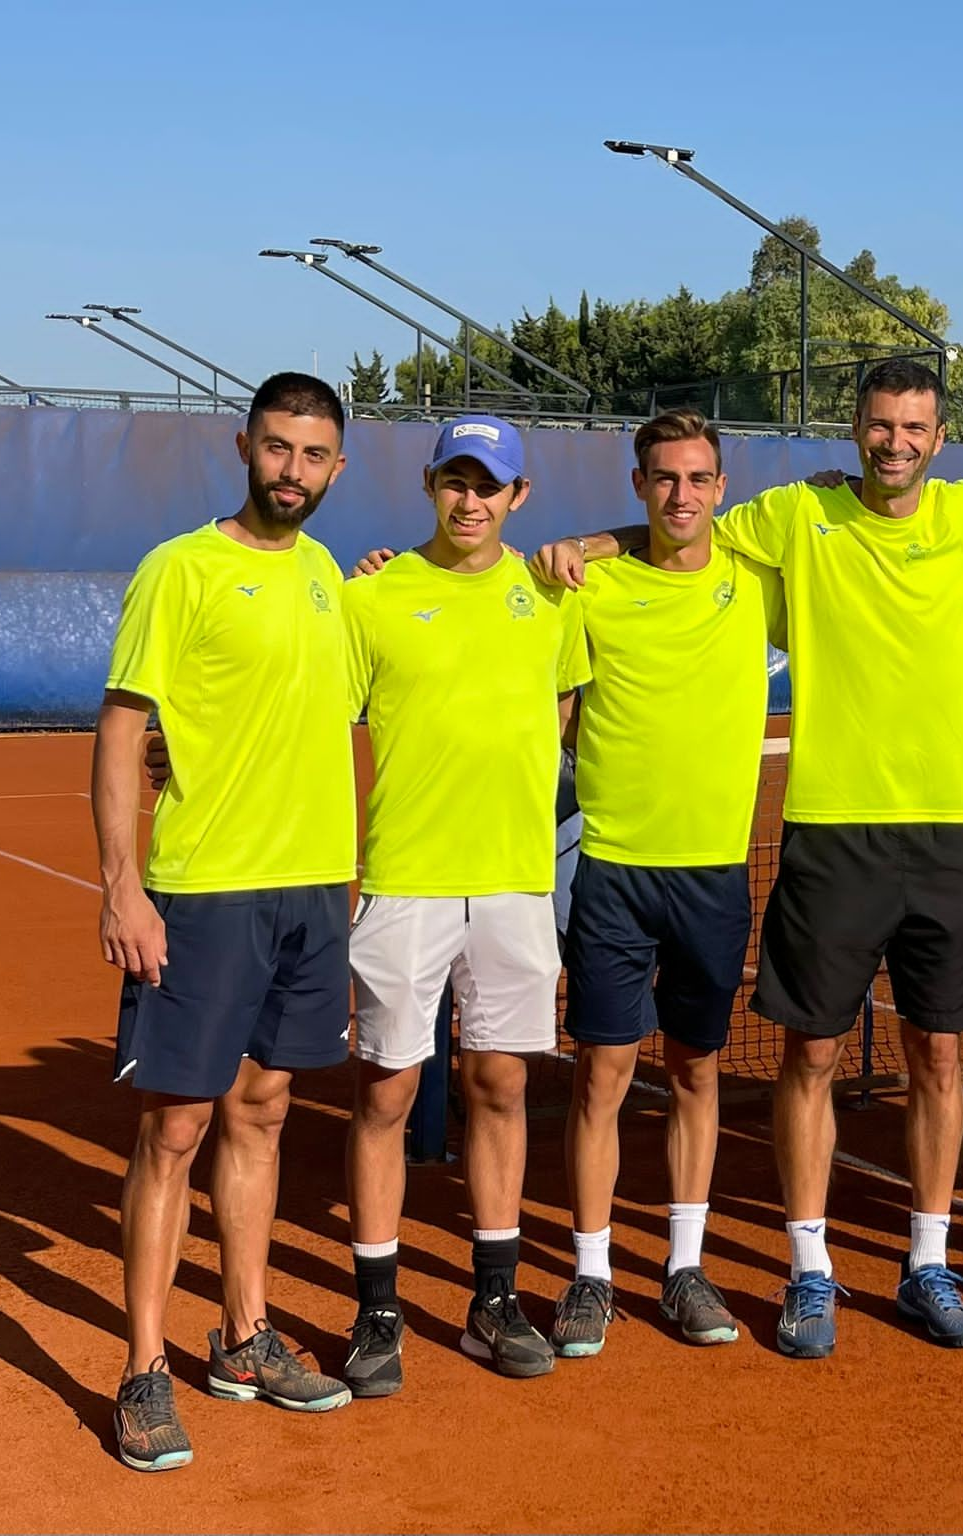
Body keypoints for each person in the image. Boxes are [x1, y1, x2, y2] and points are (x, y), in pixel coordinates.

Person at [537, 358, 963, 1356]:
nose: (895, 441)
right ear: (856, 429)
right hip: (829, 834)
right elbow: (684, 528)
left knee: (938, 1056)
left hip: (943, 838)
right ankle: (810, 1269)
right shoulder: (799, 515)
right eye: (880, 424)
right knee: (809, 1057)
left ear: (939, 438)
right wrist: (597, 539)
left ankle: (926, 1260)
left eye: (914, 427)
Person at [96, 373, 358, 1471]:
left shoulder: (329, 577)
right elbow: (121, 731)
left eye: (314, 457)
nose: (292, 472)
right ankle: (144, 1369)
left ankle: (245, 1336)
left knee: (263, 1111)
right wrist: (121, 884)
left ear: (336, 469)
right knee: (176, 1130)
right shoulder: (180, 569)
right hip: (203, 893)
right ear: (243, 445)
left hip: (311, 891)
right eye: (278, 449)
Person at [335, 416, 588, 1393]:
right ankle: (377, 1313)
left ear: (518, 498)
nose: (470, 500)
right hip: (405, 879)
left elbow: (563, 717)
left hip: (517, 884)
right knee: (386, 1094)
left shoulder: (551, 595)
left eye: (490, 485)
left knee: (500, 1087)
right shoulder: (376, 596)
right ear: (430, 483)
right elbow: (318, 708)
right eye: (455, 479)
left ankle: (493, 1301)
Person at [548, 410, 782, 1358]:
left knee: (694, 1069)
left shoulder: (759, 580)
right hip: (610, 871)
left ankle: (684, 1266)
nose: (682, 495)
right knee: (602, 1073)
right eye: (663, 478)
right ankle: (591, 1274)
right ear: (639, 484)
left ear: (721, 488)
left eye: (698, 478)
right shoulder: (589, 588)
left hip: (713, 876)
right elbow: (556, 718)